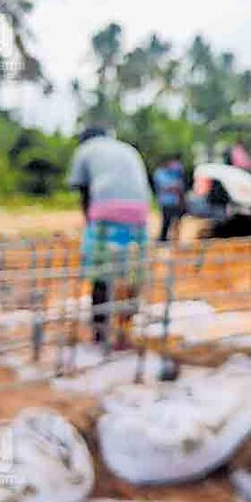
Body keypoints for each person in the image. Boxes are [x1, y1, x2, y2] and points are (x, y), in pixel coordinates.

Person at [67, 127, 152, 349]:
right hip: (140, 213)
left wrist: (90, 224)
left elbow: (84, 193)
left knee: (101, 272)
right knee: (131, 271)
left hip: (107, 213)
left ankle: (100, 333)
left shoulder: (85, 150)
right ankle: (125, 328)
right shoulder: (126, 149)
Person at [152, 159, 186, 242]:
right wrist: (175, 188)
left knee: (177, 223)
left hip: (176, 202)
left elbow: (180, 186)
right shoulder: (160, 173)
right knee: (166, 223)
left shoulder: (175, 172)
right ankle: (162, 240)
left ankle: (174, 241)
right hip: (166, 202)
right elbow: (165, 186)